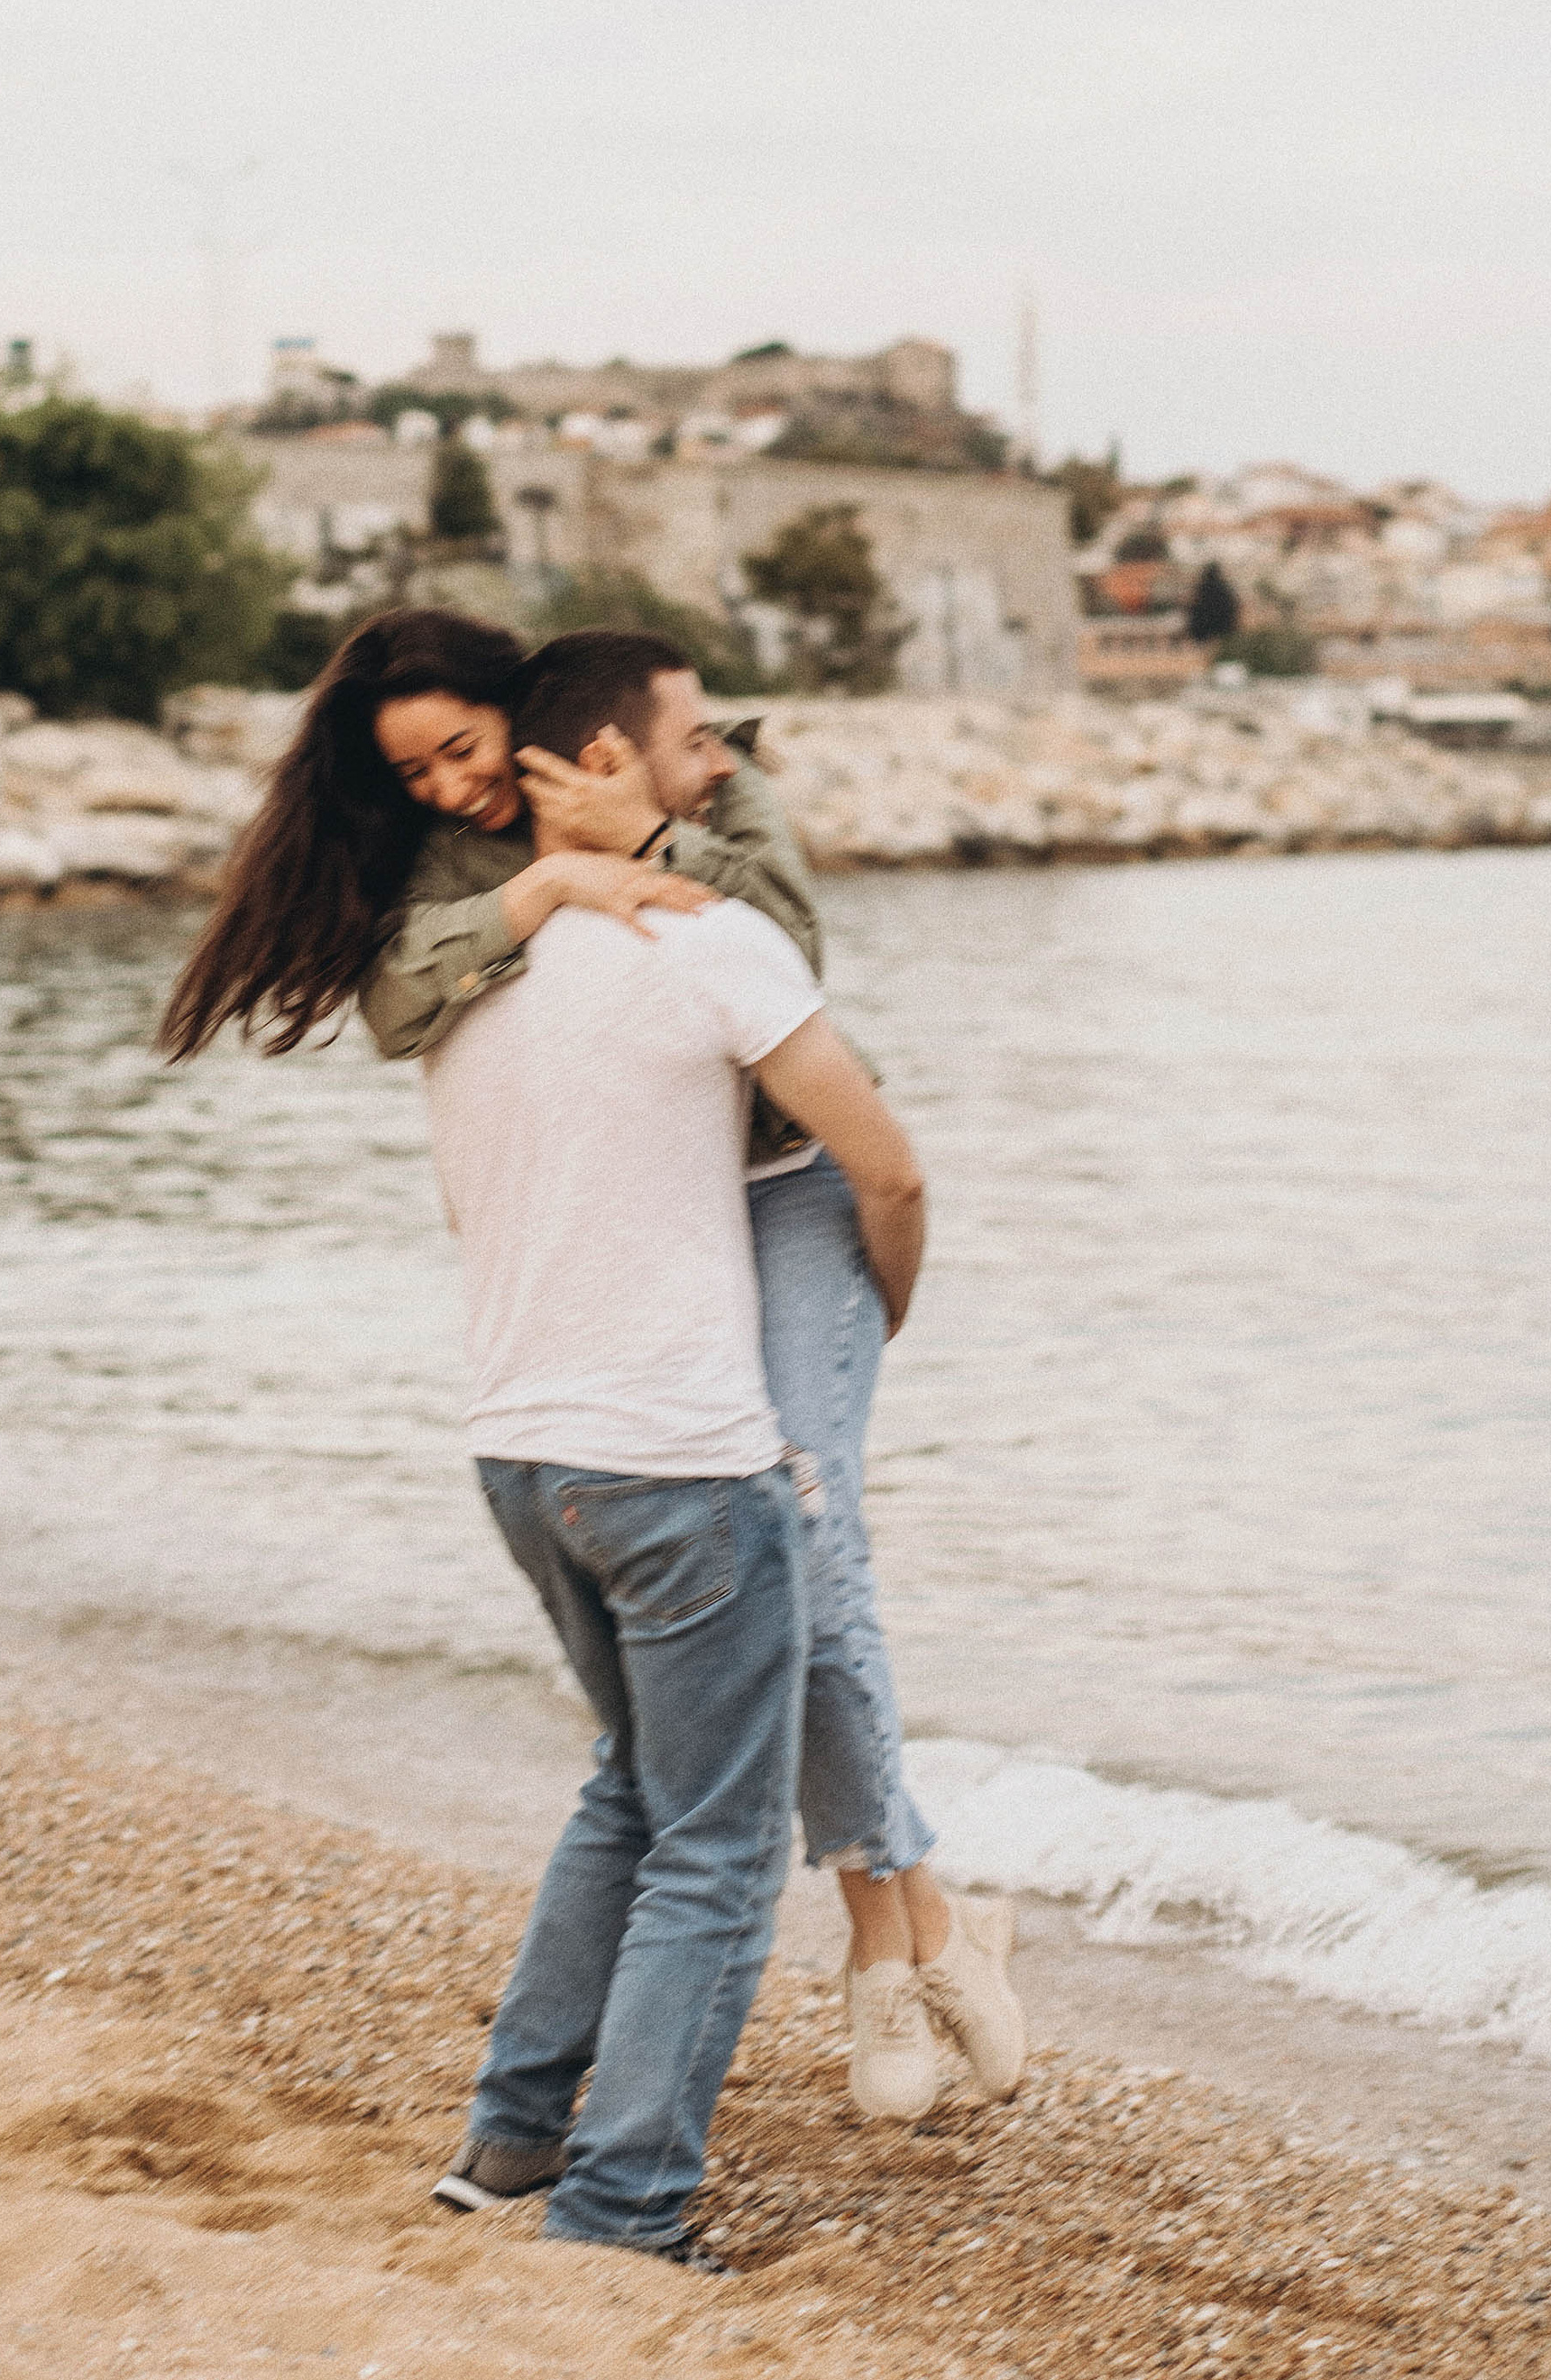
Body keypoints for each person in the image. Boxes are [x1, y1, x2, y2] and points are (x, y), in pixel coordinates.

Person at [161, 609, 1024, 2126]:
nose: (442, 788)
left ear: (534, 717)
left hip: (788, 1181)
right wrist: (556, 879)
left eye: (460, 749)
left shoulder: (714, 775)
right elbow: (404, 1001)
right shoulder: (455, 857)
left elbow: (775, 958)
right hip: (653, 1212)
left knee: (808, 1536)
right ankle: (920, 1920)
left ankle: (892, 1952)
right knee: (756, 1607)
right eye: (414, 769)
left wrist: (652, 839)